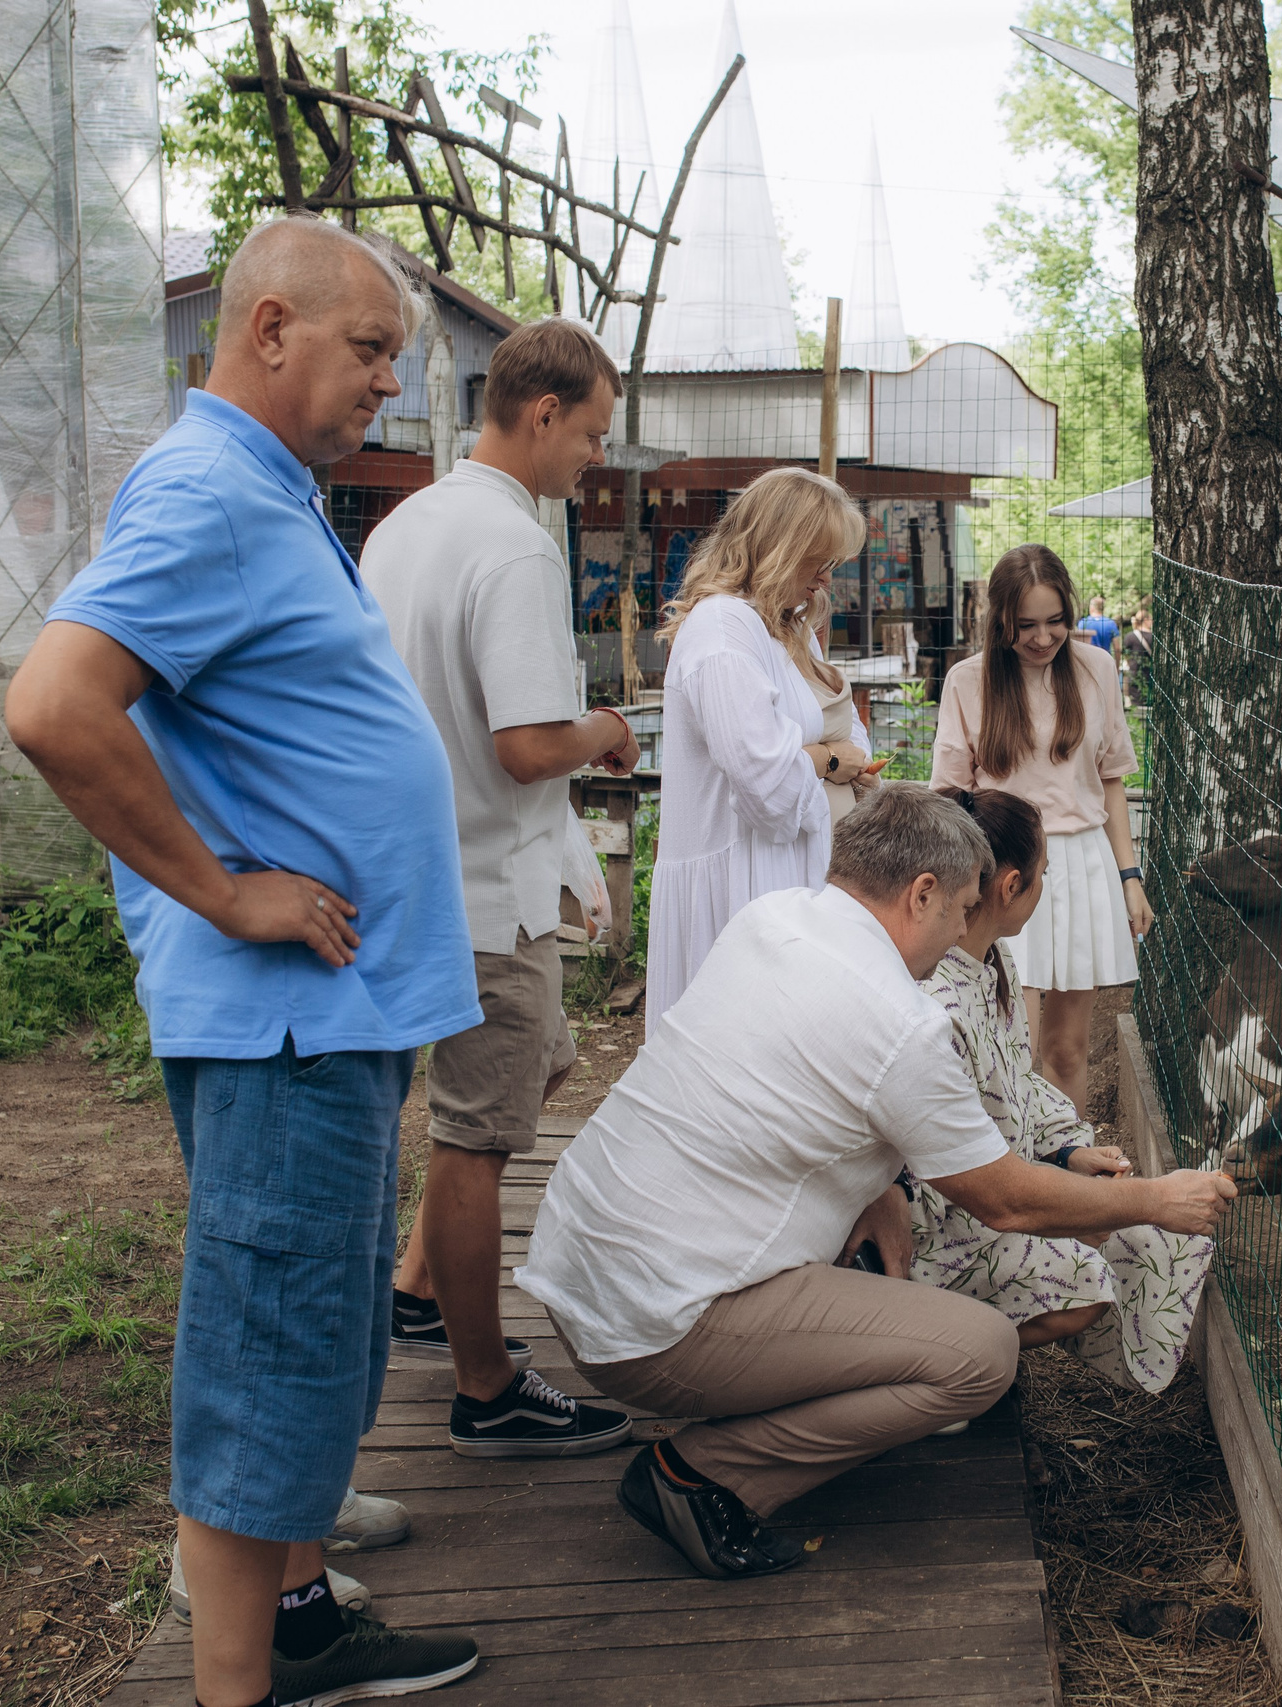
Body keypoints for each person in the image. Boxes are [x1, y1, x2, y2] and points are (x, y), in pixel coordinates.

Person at [6, 215, 481, 1707]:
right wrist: (224, 892)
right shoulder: (214, 492)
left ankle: (302, 1615)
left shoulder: (264, 489)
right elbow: (54, 703)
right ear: (268, 328)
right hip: (282, 1016)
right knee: (265, 1355)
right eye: (370, 350)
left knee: (314, 1326)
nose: (387, 386)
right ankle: (238, 1687)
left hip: (325, 1017)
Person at [516, 785, 1235, 1581]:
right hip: (659, 1328)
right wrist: (1157, 1200)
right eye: (961, 908)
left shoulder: (773, 918)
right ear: (921, 892)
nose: (965, 929)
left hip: (578, 1273)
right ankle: (702, 1473)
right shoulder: (902, 1021)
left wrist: (879, 1186)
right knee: (980, 1355)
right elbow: (1007, 1198)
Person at [358, 317, 639, 1459]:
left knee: (542, 1061)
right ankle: (486, 1386)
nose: (594, 459)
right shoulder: (519, 545)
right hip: (483, 885)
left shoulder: (406, 526)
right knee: (477, 1140)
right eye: (591, 434)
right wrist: (611, 728)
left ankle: (420, 1291)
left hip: (420, 868)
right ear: (541, 414)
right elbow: (527, 744)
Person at [914, 786, 1212, 1392]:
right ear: (1010, 886)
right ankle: (940, 1356)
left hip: (998, 1187)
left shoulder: (994, 962)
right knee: (1089, 1276)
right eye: (1044, 873)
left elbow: (1019, 1085)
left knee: (1135, 1241)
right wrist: (1068, 1206)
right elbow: (981, 1181)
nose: (1047, 886)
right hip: (950, 1224)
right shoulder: (939, 1006)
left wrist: (1069, 1153)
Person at [931, 544, 1150, 1114]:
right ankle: (1008, 1184)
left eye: (1056, 622)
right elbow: (949, 796)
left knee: (1068, 1049)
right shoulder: (967, 680)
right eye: (1025, 625)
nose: (1042, 637)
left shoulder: (1096, 668)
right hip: (1000, 868)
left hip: (1080, 863)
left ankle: (1063, 1183)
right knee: (1010, 1047)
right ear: (1000, 620)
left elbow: (1111, 783)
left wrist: (1130, 877)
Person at [646, 467, 867, 1022]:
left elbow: (847, 737)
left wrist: (820, 759)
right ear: (778, 546)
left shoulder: (781, 626)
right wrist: (827, 760)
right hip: (739, 881)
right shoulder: (723, 625)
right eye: (816, 560)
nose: (823, 578)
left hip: (776, 872)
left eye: (831, 564)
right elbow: (766, 784)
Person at [804, 587, 878, 822]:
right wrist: (832, 759)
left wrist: (860, 759)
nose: (825, 579)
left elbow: (847, 718)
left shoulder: (802, 632)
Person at [1121, 604, 1155, 707]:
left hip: (1134, 676)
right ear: (1145, 620)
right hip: (1151, 676)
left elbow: (1125, 654)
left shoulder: (1129, 637)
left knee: (1136, 708)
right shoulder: (1154, 638)